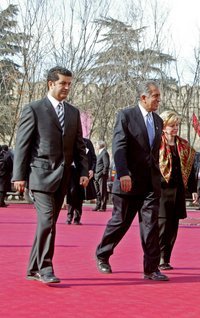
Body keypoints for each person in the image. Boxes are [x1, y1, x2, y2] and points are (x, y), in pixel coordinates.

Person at [12, 66, 89, 284]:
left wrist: (83, 171)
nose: (66, 88)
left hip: (63, 177)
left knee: (49, 223)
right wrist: (18, 177)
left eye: (69, 84)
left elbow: (79, 146)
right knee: (47, 221)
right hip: (39, 175)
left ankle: (32, 268)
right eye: (62, 83)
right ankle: (45, 268)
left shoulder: (73, 112)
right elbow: (23, 145)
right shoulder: (34, 109)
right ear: (50, 84)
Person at [95, 80, 168, 281]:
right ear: (143, 97)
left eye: (159, 96)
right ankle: (102, 254)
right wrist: (123, 173)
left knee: (151, 225)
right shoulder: (126, 116)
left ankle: (151, 268)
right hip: (128, 181)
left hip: (150, 184)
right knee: (120, 222)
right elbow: (119, 146)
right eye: (155, 96)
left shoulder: (158, 121)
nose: (158, 100)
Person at [157, 111, 197, 271]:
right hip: (161, 191)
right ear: (164, 127)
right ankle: (158, 257)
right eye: (172, 125)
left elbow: (190, 169)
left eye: (176, 125)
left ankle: (166, 258)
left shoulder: (184, 145)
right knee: (162, 226)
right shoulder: (156, 144)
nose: (175, 128)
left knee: (173, 227)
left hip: (178, 191)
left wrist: (193, 189)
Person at [66, 137, 96, 225]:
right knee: (71, 193)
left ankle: (77, 218)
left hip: (82, 172)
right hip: (71, 172)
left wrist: (92, 170)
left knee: (79, 195)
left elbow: (93, 158)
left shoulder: (87, 142)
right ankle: (69, 216)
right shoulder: (69, 140)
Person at [93, 140, 110, 212]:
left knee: (102, 191)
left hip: (101, 176)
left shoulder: (104, 153)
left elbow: (106, 165)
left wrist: (103, 174)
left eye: (96, 144)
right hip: (96, 175)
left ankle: (103, 207)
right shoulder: (99, 153)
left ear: (100, 145)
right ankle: (98, 205)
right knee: (97, 192)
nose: (96, 146)